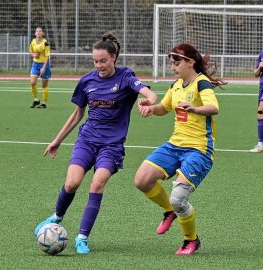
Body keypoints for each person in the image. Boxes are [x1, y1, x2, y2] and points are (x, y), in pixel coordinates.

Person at [34, 32, 157, 254]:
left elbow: (149, 92)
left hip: (112, 146)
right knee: (71, 183)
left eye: (103, 61)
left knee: (97, 184)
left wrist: (149, 100)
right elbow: (77, 114)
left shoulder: (126, 77)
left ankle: (82, 238)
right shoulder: (87, 81)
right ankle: (56, 217)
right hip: (87, 140)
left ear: (114, 58)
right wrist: (57, 140)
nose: (99, 65)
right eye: (95, 61)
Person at [134, 43, 226, 255]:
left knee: (178, 199)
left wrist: (194, 108)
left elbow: (214, 108)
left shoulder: (201, 84)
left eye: (177, 63)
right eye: (172, 64)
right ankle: (169, 212)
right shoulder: (176, 85)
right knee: (141, 180)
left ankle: (191, 240)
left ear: (190, 62)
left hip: (199, 149)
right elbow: (163, 108)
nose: (173, 67)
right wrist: (149, 107)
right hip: (175, 145)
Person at [29, 26, 51, 109]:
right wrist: (33, 55)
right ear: (35, 33)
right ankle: (36, 100)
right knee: (32, 83)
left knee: (44, 85)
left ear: (43, 33)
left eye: (40, 31)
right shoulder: (33, 41)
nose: (38, 32)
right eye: (37, 31)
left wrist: (44, 68)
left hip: (44, 65)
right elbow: (30, 51)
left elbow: (47, 56)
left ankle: (44, 103)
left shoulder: (46, 43)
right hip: (35, 64)